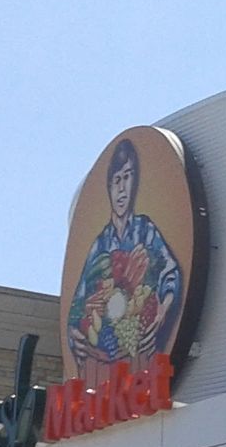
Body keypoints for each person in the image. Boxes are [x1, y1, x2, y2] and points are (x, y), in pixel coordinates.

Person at [66, 138, 183, 385]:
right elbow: (78, 302)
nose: (122, 189)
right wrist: (74, 334)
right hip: (103, 364)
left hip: (141, 353)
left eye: (127, 177)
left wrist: (163, 308)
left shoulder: (146, 230)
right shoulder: (99, 245)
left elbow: (170, 273)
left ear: (135, 182)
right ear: (109, 187)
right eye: (116, 180)